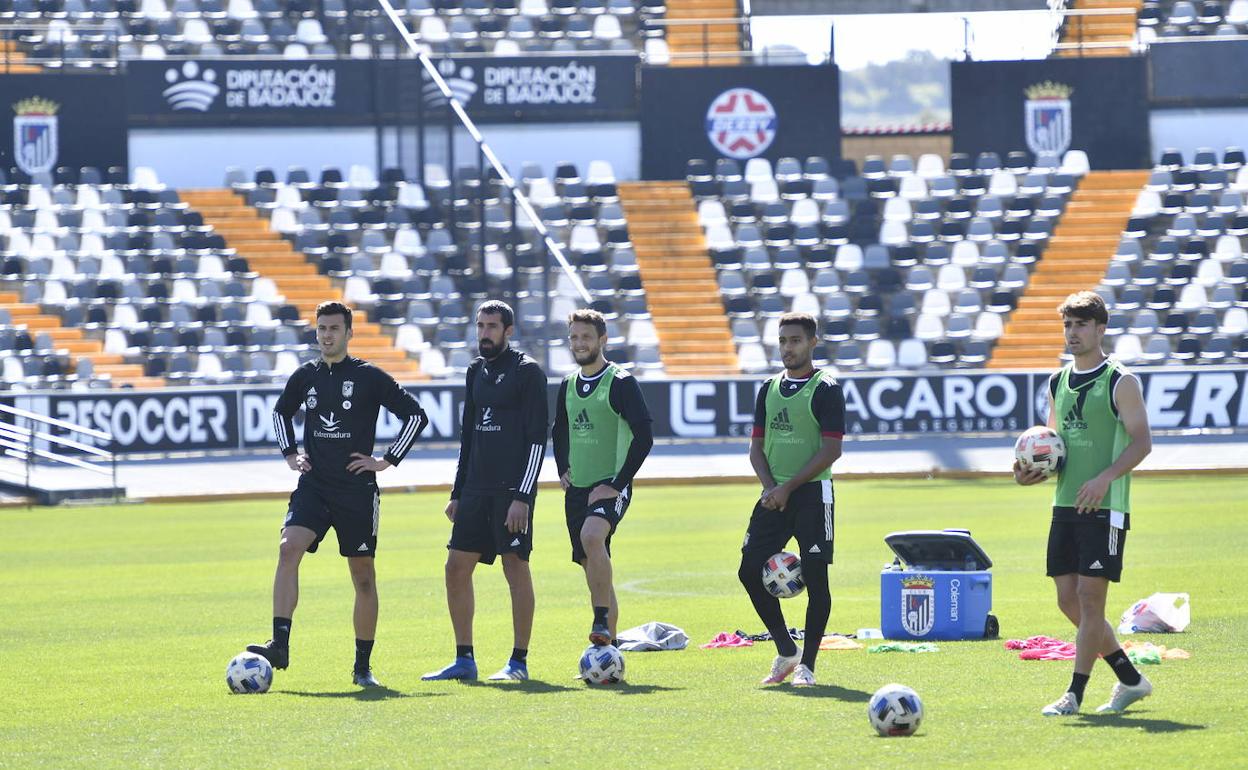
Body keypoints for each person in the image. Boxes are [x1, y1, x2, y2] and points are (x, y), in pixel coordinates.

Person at [248, 301, 428, 687]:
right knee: (287, 548)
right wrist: (290, 454)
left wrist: (386, 460)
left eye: (334, 328)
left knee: (363, 577)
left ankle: (362, 668)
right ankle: (279, 644)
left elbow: (415, 416)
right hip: (314, 486)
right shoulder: (305, 376)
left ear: (349, 333)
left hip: (356, 491)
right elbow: (281, 414)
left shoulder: (369, 377)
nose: (327, 335)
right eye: (322, 328)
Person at [1015, 290, 1153, 716]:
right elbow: (1053, 446)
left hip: (1105, 506)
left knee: (1091, 601)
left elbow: (1142, 442)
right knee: (1067, 600)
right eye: (1068, 325)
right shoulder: (1058, 381)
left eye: (1081, 325)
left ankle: (1074, 694)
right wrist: (1029, 472)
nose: (1072, 333)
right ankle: (1131, 679)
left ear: (1100, 329)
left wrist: (1104, 478)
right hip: (1065, 505)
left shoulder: (1120, 380)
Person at [424, 301, 549, 682]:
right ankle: (465, 659)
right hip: (475, 490)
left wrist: (522, 497)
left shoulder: (528, 372)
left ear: (508, 331)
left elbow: (536, 440)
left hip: (511, 492)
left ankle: (519, 662)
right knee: (455, 568)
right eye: (480, 325)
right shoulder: (474, 371)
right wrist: (457, 492)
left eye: (492, 326)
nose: (484, 333)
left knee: (515, 567)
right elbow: (468, 436)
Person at [739, 312, 844, 687]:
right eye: (783, 341)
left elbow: (832, 450)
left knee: (816, 578)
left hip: (815, 495)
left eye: (796, 340)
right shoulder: (768, 388)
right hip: (775, 496)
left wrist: (788, 488)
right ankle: (786, 651)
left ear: (813, 342)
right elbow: (755, 448)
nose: (788, 348)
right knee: (748, 571)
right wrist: (771, 488)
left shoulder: (826, 388)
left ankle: (808, 665)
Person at [551, 309, 654, 648]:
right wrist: (562, 467)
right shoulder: (567, 384)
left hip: (610, 485)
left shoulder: (621, 382)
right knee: (593, 570)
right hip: (577, 489)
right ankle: (606, 653)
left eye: (586, 337)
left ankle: (598, 620)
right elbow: (560, 428)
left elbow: (644, 437)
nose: (579, 343)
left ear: (602, 340)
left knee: (592, 537)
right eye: (574, 337)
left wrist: (618, 483)